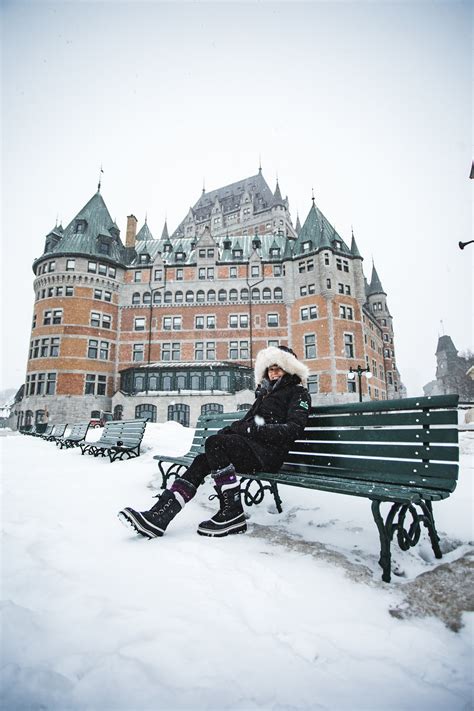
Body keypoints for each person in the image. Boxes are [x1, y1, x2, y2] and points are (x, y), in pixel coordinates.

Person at [118, 345, 311, 539]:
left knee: (216, 444)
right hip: (255, 451)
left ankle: (233, 513)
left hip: (270, 455)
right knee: (203, 459)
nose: (274, 372)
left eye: (278, 368)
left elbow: (293, 430)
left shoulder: (298, 393)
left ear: (290, 368)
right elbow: (247, 423)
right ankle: (159, 516)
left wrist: (252, 429)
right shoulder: (265, 394)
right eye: (270, 368)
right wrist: (234, 429)